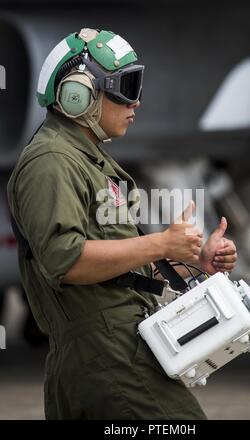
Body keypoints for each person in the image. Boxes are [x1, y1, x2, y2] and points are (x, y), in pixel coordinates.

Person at [7, 28, 237, 420]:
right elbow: (67, 261)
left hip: (117, 352)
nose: (137, 102)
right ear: (77, 94)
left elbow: (114, 264)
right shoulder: (51, 163)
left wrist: (194, 258)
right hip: (108, 359)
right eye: (125, 87)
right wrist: (162, 244)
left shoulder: (85, 161)